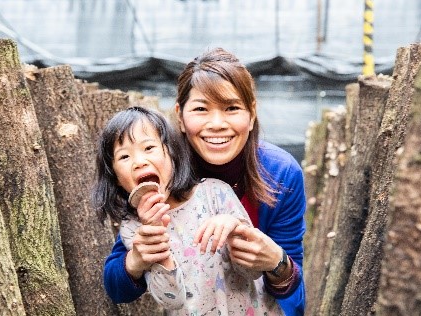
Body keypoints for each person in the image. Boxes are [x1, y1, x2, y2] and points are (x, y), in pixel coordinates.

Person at [102, 48, 307, 316]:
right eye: (201, 108)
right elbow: (119, 280)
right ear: (181, 115)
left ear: (252, 113)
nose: (217, 123)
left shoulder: (281, 173)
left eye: (232, 108)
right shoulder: (164, 167)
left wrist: (277, 263)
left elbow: (294, 288)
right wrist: (135, 261)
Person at [93, 106, 284, 315]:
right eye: (124, 157)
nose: (139, 162)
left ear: (173, 154)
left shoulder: (216, 193)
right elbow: (171, 301)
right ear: (116, 179)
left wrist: (234, 230)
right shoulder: (135, 231)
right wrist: (156, 250)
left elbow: (253, 271)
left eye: (149, 148)